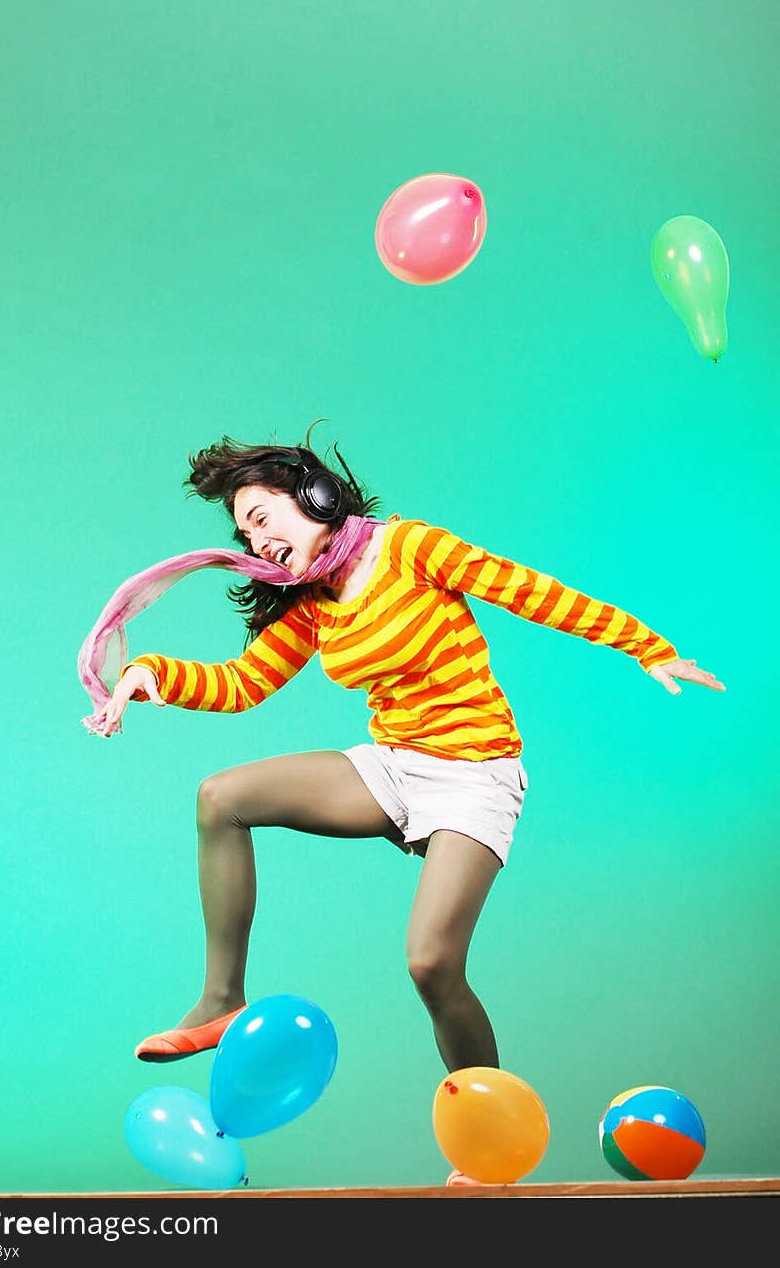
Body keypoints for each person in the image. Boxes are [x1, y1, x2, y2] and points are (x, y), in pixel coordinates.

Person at [83, 430, 725, 1087]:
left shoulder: (410, 549)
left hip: (476, 770)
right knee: (221, 796)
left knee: (431, 964)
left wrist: (646, 646)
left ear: (315, 494)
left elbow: (528, 590)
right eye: (245, 535)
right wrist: (146, 674)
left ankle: (486, 1122)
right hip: (395, 768)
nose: (255, 543)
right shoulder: (313, 601)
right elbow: (245, 681)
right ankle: (222, 998)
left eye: (260, 519)